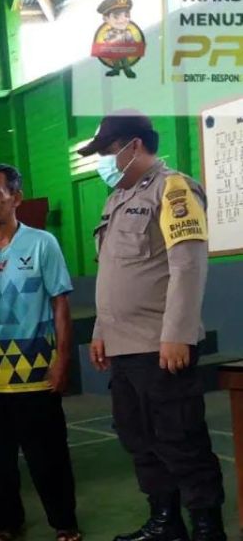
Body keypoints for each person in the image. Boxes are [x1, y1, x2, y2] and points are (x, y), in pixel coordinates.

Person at [79, 112, 225, 541]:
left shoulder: (173, 189)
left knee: (180, 441)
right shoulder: (116, 199)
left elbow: (188, 266)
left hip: (159, 346)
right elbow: (112, 274)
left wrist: (177, 334)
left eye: (107, 151)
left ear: (134, 145)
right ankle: (166, 522)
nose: (103, 162)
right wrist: (101, 331)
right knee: (139, 439)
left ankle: (206, 529)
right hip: (123, 348)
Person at [0, 166, 82, 541]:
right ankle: (6, 524)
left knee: (48, 457)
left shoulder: (43, 243)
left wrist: (62, 360)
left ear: (16, 197)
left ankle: (64, 523)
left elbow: (60, 304)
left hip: (37, 373)